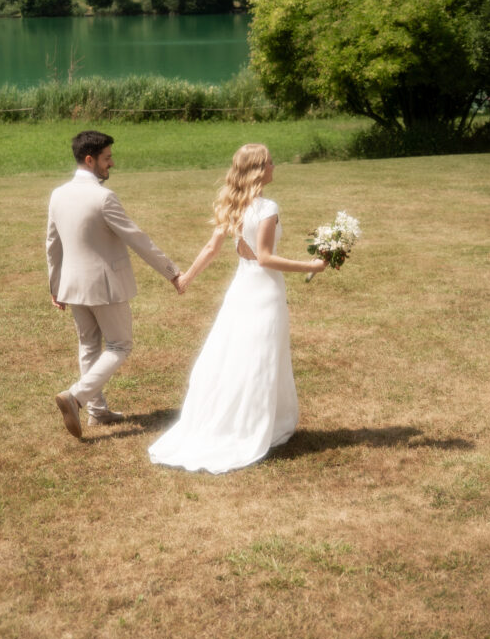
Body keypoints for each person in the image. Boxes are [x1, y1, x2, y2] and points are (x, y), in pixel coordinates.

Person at [148, 143, 329, 474]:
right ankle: (254, 424)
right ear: (258, 170)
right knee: (262, 356)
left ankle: (240, 418)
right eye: (270, 162)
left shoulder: (234, 204)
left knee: (234, 352)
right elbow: (265, 258)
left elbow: (211, 247)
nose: (274, 166)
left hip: (242, 288)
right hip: (264, 289)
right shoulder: (267, 207)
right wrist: (311, 265)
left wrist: (186, 278)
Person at [47, 130, 182, 439]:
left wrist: (55, 286)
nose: (112, 163)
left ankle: (96, 412)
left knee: (88, 345)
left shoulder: (57, 194)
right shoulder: (103, 197)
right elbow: (137, 239)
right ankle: (76, 397)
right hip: (104, 286)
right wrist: (172, 272)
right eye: (107, 158)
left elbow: (52, 245)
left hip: (72, 285)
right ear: (90, 159)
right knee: (119, 345)